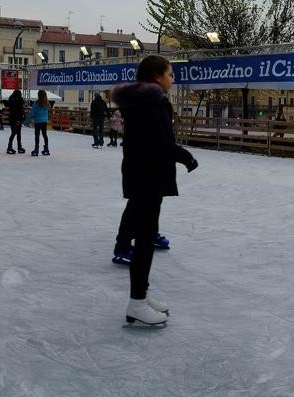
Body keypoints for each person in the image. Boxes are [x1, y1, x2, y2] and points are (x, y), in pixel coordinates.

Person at [111, 55, 198, 326]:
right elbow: (159, 142)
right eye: (170, 74)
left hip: (140, 173)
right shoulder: (154, 102)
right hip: (148, 175)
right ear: (157, 77)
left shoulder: (139, 101)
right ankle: (137, 301)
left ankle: (141, 295)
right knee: (146, 239)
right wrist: (186, 156)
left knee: (146, 237)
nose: (173, 79)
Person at [25, 90, 51, 156]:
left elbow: (32, 113)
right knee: (45, 135)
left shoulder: (36, 103)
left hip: (38, 122)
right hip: (44, 121)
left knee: (37, 135)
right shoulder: (47, 103)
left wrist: (27, 121)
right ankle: (46, 149)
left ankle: (36, 149)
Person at [6, 90, 26, 154]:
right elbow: (20, 109)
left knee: (15, 132)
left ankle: (17, 147)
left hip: (12, 118)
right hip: (17, 118)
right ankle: (11, 147)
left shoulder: (12, 99)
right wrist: (22, 116)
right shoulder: (18, 100)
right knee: (15, 132)